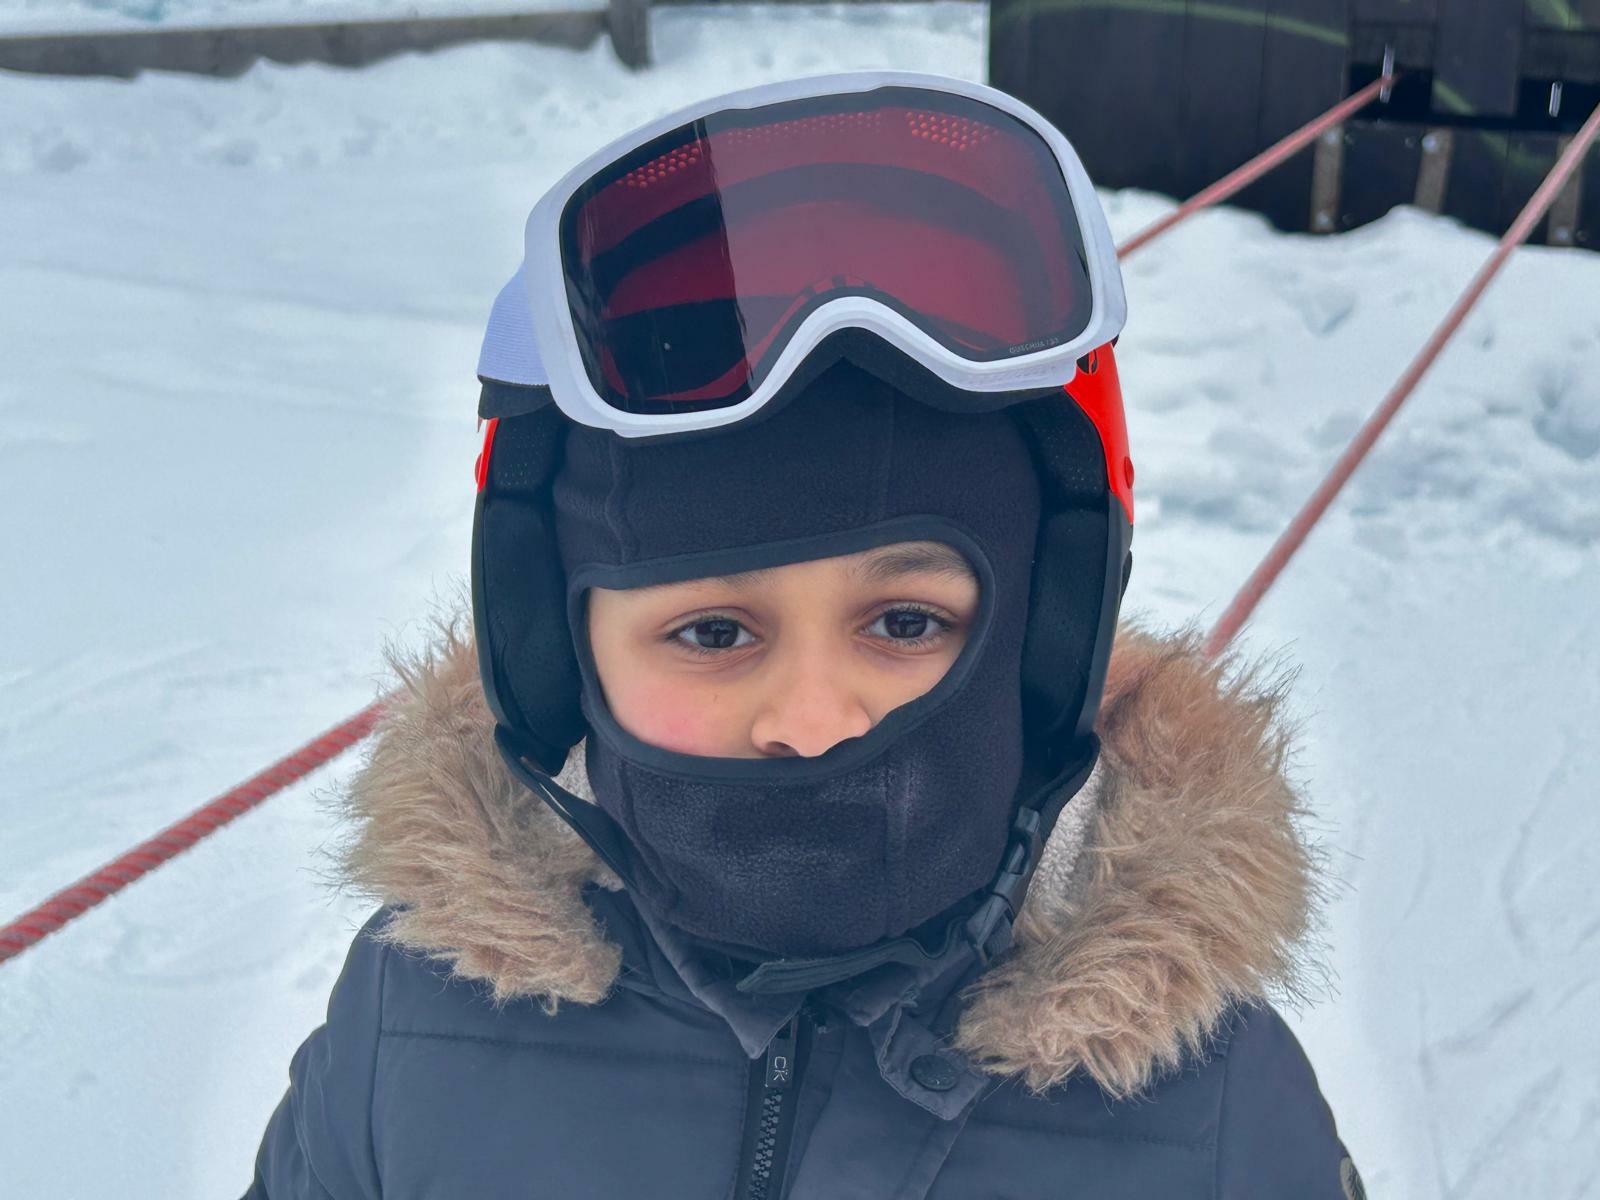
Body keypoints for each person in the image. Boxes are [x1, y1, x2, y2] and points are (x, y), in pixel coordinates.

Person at [244, 72, 1364, 1198]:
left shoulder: (1212, 1109)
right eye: (712, 632)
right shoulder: (411, 1030)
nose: (814, 723)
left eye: (906, 622)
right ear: (562, 660)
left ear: (1043, 641)